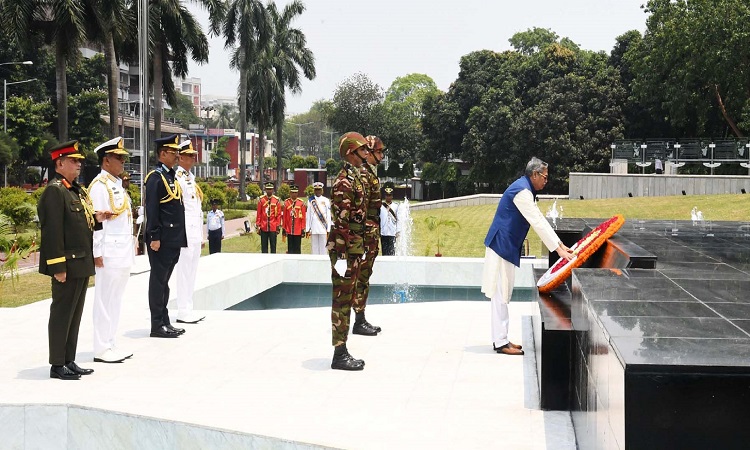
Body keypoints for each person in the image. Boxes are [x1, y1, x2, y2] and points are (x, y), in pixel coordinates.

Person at [482, 157, 573, 355]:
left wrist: (559, 244)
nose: (546, 181)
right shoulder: (522, 192)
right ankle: (500, 342)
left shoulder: (524, 189)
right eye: (544, 177)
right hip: (501, 246)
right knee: (501, 294)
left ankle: (502, 338)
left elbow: (539, 219)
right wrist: (558, 250)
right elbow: (537, 222)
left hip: (505, 246)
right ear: (534, 174)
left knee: (503, 293)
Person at [37, 141, 110, 380]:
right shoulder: (55, 191)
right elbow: (53, 233)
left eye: (79, 161)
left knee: (74, 314)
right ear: (59, 163)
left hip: (80, 263)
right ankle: (57, 364)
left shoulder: (74, 190)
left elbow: (79, 222)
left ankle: (69, 359)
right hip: (66, 265)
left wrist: (97, 218)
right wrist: (57, 267)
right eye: (73, 161)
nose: (79, 164)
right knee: (62, 313)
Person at [88, 137, 135, 363]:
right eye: (119, 158)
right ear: (106, 160)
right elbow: (97, 223)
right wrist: (96, 252)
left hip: (122, 251)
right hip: (108, 252)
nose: (123, 162)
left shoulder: (116, 185)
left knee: (115, 299)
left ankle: (110, 341)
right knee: (104, 299)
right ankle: (101, 348)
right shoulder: (99, 186)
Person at [327, 132, 371, 371]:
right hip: (345, 249)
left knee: (348, 297)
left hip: (353, 247)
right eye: (362, 150)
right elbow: (341, 223)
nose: (366, 154)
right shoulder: (344, 182)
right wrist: (343, 257)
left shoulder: (355, 178)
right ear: (350, 154)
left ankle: (342, 349)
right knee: (342, 301)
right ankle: (339, 353)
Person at [144, 134, 186, 338]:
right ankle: (156, 324)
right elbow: (152, 210)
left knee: (164, 282)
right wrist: (154, 236)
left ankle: (165, 320)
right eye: (173, 152)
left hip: (172, 239)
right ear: (162, 154)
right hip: (161, 240)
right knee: (158, 281)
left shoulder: (170, 176)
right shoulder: (155, 177)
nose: (177, 155)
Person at [352, 135, 386, 337]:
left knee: (364, 277)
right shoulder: (364, 175)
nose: (381, 155)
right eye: (379, 151)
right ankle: (359, 319)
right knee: (361, 277)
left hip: (371, 232)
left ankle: (360, 317)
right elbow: (361, 208)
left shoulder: (369, 173)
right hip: (366, 233)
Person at [172, 140, 206, 324]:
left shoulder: (190, 178)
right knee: (184, 271)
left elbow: (197, 210)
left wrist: (200, 235)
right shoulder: (178, 178)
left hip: (194, 232)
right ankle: (182, 310)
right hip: (184, 232)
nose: (193, 158)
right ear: (181, 157)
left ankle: (188, 307)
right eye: (190, 155)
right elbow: (180, 208)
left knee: (192, 271)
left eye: (194, 155)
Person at [306, 182, 331, 255]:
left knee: (323, 247)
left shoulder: (326, 200)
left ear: (322, 190)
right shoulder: (310, 200)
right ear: (314, 190)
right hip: (314, 227)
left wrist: (328, 229)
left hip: (323, 227)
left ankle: (323, 262)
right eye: (316, 190)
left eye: (319, 190)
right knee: (314, 247)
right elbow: (309, 215)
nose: (318, 191)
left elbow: (328, 215)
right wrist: (308, 228)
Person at [256, 181, 282, 253]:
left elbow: (279, 214)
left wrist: (278, 225)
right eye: (268, 189)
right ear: (265, 190)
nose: (269, 190)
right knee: (264, 247)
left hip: (273, 226)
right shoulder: (261, 200)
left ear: (273, 190)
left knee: (273, 246)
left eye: (270, 189)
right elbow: (259, 213)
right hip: (264, 226)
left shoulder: (276, 200)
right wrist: (258, 225)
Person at [282, 185, 306, 254]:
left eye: (295, 192)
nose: (294, 194)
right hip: (289, 229)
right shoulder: (286, 203)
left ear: (297, 193)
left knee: (297, 248)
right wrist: (284, 228)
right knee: (290, 248)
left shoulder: (301, 203)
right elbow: (284, 217)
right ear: (290, 193)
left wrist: (303, 228)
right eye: (292, 192)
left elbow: (303, 217)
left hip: (298, 229)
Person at [379, 186, 401, 256]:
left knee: (392, 252)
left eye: (390, 195)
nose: (388, 197)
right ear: (385, 196)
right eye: (387, 195)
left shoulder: (396, 206)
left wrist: (398, 231)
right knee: (384, 252)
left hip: (392, 232)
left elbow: (398, 219)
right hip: (383, 232)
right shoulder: (381, 207)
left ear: (392, 196)